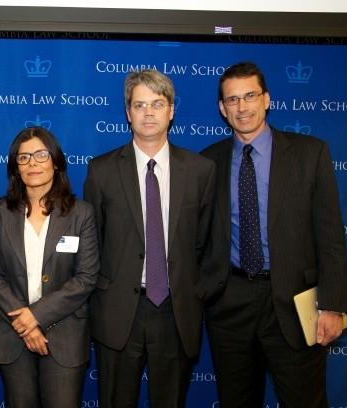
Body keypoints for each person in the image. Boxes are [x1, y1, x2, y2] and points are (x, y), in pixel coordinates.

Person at [199, 61, 347, 407]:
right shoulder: (207, 163)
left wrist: (334, 306)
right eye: (232, 100)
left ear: (267, 99)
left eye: (250, 95)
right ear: (222, 109)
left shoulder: (310, 154)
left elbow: (330, 238)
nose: (242, 107)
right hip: (230, 304)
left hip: (296, 303)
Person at [84, 68, 216, 407]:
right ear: (128, 113)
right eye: (139, 105)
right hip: (118, 312)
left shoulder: (200, 170)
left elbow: (204, 241)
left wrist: (194, 290)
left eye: (157, 104)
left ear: (171, 110)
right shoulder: (101, 170)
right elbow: (92, 242)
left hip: (176, 310)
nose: (148, 113)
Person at [0, 126, 99, 408]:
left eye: (41, 155)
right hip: (13, 334)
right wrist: (25, 325)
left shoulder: (81, 213)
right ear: (16, 168)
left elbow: (86, 277)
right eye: (23, 158)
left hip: (65, 335)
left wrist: (36, 316)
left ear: (56, 162)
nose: (32, 163)